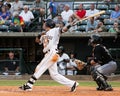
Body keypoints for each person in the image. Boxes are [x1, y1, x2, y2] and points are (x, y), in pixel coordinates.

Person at [19, 19, 79, 92]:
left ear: (48, 24)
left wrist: (69, 25)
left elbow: (63, 29)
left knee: (40, 67)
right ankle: (73, 84)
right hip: (49, 54)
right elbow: (37, 41)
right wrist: (40, 35)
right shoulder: (45, 33)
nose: (43, 24)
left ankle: (29, 85)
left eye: (45, 23)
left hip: (52, 52)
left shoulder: (54, 30)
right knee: (54, 75)